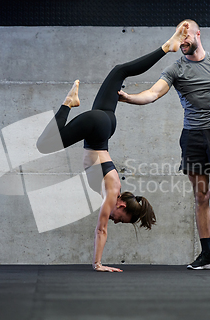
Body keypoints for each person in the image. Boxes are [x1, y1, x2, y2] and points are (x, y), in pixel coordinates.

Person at [36, 25, 188, 272]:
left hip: (106, 124)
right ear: (122, 206)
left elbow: (106, 223)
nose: (116, 221)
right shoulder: (112, 192)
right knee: (45, 145)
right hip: (97, 127)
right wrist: (98, 263)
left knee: (120, 70)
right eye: (122, 219)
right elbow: (101, 228)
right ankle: (68, 102)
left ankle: (167, 46)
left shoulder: (113, 189)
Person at [118, 19, 210, 270]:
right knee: (201, 196)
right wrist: (128, 98)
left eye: (186, 39)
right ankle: (207, 256)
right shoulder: (175, 70)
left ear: (198, 34)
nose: (182, 43)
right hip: (193, 137)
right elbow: (152, 94)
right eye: (179, 40)